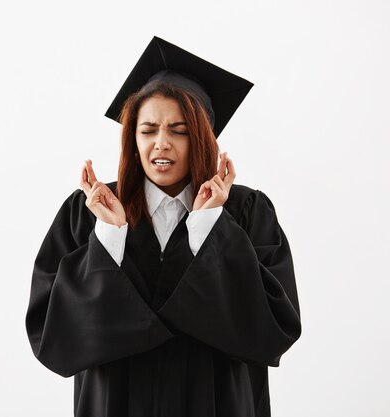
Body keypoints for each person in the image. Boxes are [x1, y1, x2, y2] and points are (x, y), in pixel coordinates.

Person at [25, 36, 301, 417]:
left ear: (203, 137)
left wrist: (209, 229)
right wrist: (109, 239)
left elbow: (273, 332)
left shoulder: (246, 210)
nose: (161, 144)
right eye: (148, 129)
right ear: (132, 137)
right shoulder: (91, 210)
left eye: (179, 130)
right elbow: (54, 339)